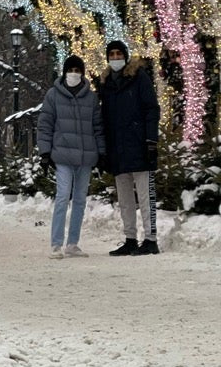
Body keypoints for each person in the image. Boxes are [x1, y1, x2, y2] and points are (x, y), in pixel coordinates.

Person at [36, 54, 104, 258]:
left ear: (82, 73)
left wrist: (101, 153)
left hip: (85, 156)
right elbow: (45, 124)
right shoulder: (53, 95)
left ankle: (72, 243)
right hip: (62, 154)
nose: (74, 74)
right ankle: (56, 244)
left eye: (77, 70)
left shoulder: (91, 98)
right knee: (63, 196)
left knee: (80, 200)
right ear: (64, 72)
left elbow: (98, 127)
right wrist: (45, 152)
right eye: (70, 70)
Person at [96, 39, 160, 256]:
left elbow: (151, 109)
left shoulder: (139, 78)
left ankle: (150, 239)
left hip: (139, 144)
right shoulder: (105, 85)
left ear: (125, 55)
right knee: (124, 198)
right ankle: (130, 238)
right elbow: (103, 118)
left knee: (144, 195)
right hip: (117, 147)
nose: (115, 58)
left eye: (118, 54)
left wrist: (151, 140)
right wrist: (103, 149)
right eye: (111, 54)